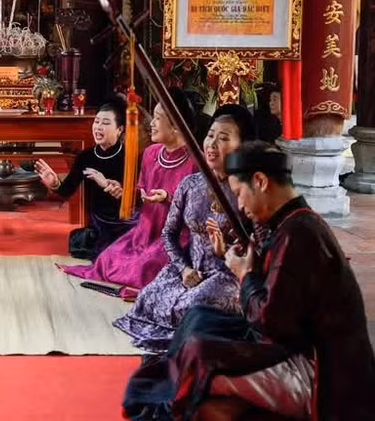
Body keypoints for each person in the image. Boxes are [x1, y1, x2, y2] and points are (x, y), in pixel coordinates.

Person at [161, 143, 375, 420]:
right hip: (308, 354)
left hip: (324, 374)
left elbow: (271, 322)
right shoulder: (295, 224)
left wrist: (245, 275)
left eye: (239, 193)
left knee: (201, 361)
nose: (239, 205)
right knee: (200, 350)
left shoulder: (298, 233)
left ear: (260, 181)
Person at [113, 104, 255, 352]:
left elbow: (256, 245)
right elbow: (169, 233)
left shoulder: (246, 190)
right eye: (210, 135)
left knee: (194, 307)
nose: (212, 144)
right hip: (189, 268)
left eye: (223, 138)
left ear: (241, 147)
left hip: (227, 273)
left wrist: (226, 251)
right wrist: (183, 268)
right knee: (148, 298)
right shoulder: (190, 184)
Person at [60, 88, 198, 296]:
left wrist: (168, 199)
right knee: (106, 260)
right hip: (144, 230)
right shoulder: (151, 153)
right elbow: (140, 192)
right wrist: (124, 192)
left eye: (158, 118)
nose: (151, 123)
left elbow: (198, 209)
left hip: (174, 235)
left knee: (145, 266)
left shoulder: (195, 162)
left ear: (176, 125)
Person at [35, 96, 128, 260]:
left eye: (105, 123)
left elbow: (136, 195)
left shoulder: (129, 157)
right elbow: (66, 191)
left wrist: (108, 185)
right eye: (97, 122)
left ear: (119, 129)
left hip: (126, 221)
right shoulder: (86, 157)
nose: (98, 127)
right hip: (99, 224)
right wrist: (55, 182)